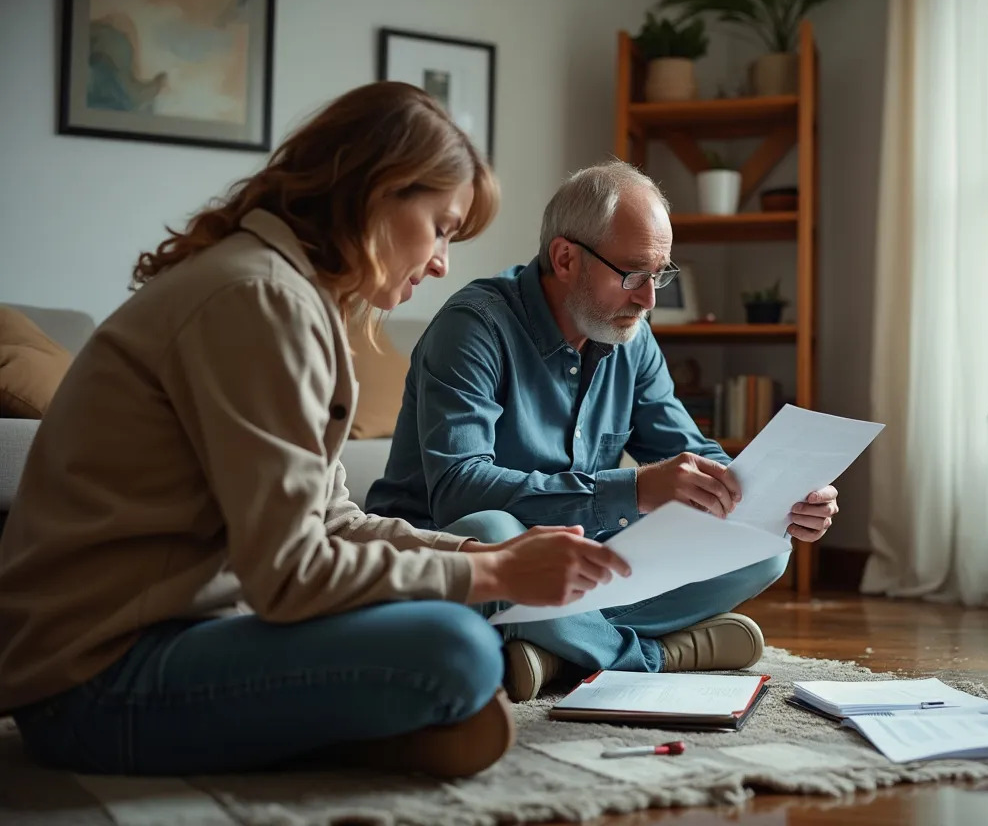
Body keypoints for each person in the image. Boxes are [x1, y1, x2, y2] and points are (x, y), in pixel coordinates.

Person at [0, 83, 629, 779]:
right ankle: (355, 728)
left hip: (165, 640)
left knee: (471, 588)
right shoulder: (260, 299)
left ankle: (350, 725)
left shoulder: (286, 294)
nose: (444, 261)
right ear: (379, 192)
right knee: (460, 649)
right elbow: (292, 576)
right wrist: (493, 571)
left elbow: (330, 520)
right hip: (93, 683)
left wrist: (483, 559)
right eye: (443, 226)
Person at [366, 160, 840, 701]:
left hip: (578, 564)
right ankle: (650, 655)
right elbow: (458, 492)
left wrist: (778, 495)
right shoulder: (472, 327)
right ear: (566, 258)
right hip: (456, 555)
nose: (649, 299)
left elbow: (693, 457)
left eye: (659, 275)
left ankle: (552, 647)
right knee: (496, 533)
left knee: (765, 545)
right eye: (634, 274)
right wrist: (634, 491)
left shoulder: (631, 338)